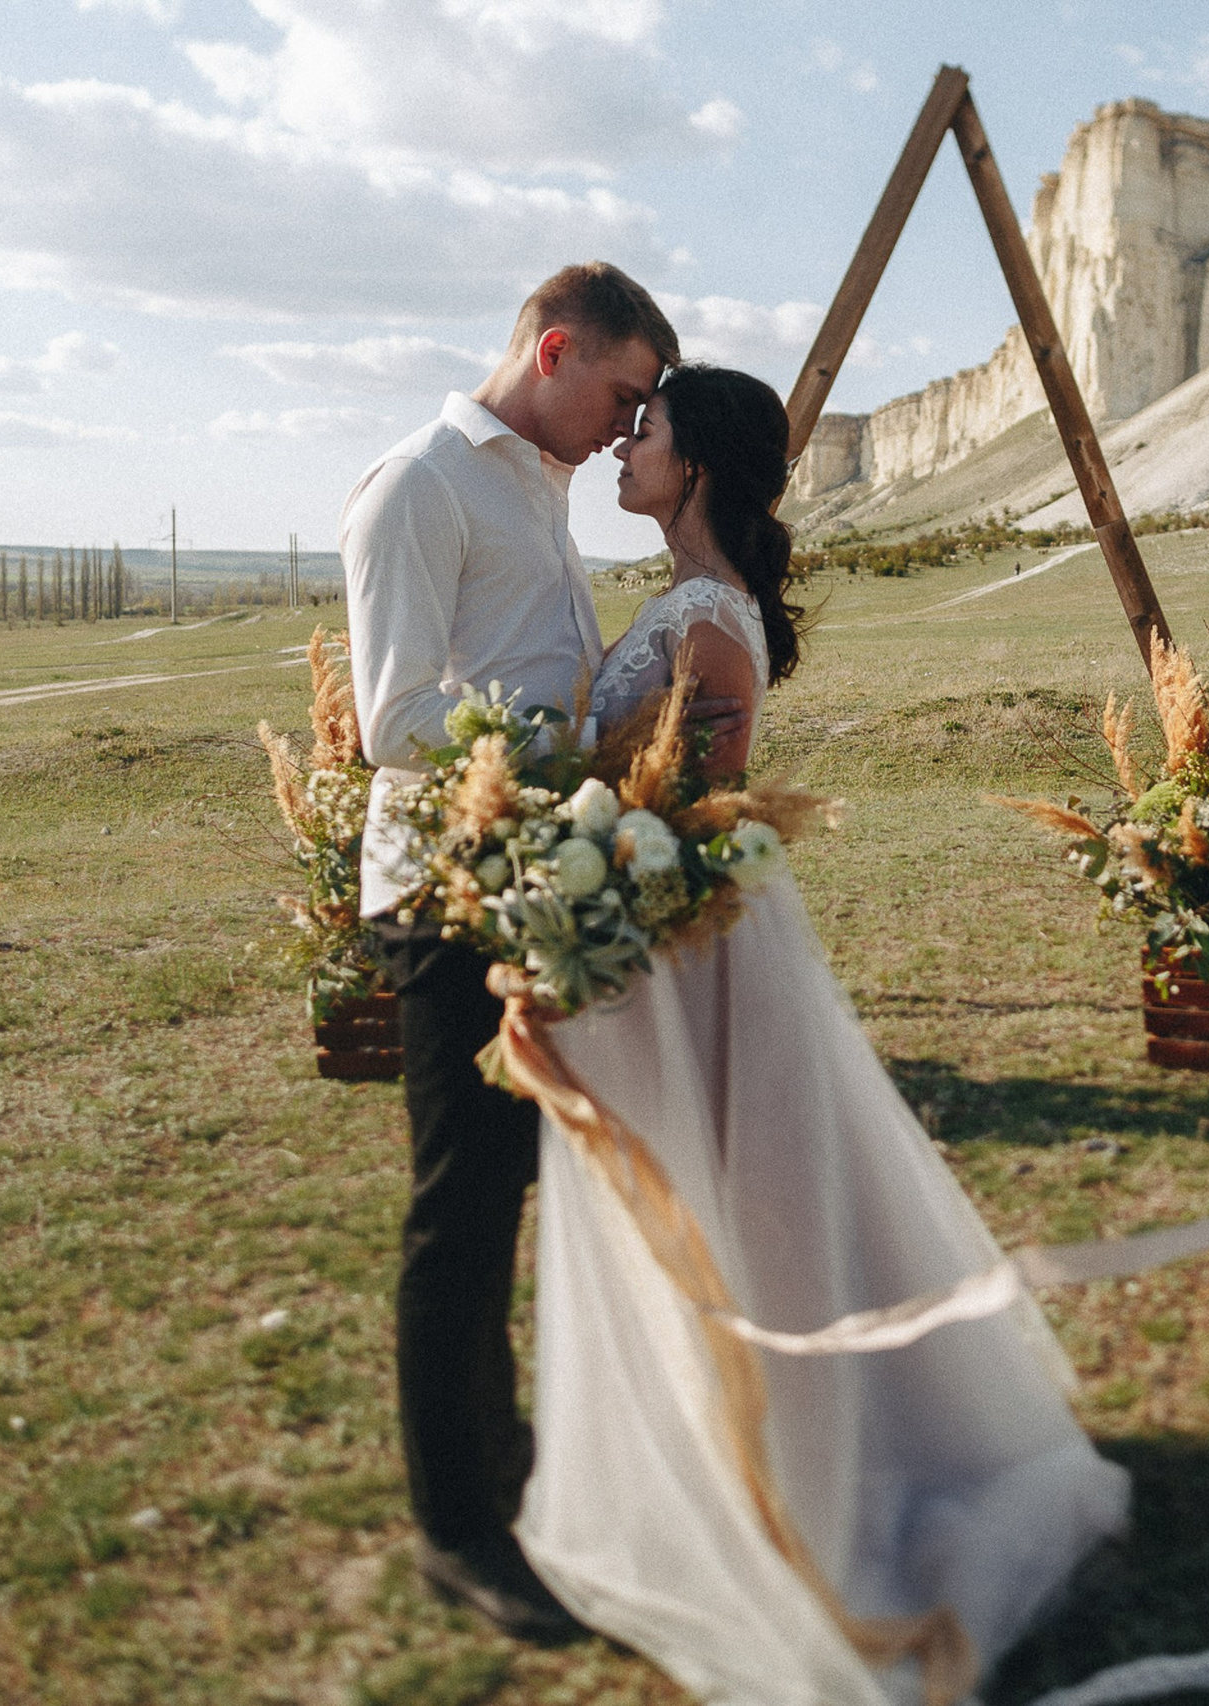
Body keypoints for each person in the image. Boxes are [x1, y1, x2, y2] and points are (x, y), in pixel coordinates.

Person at [512, 365, 1130, 1704]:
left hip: (694, 947)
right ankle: (715, 1451)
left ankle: (797, 1488)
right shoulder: (683, 601)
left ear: (704, 465)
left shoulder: (712, 620)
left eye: (650, 428)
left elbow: (695, 795)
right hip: (655, 929)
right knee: (689, 1199)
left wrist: (566, 843)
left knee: (740, 1200)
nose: (627, 443)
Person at [342, 262, 681, 1643]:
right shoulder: (420, 484)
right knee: (459, 1209)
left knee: (514, 1198)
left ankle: (504, 1458)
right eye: (619, 391)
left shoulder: (533, 487)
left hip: (526, 882)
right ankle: (457, 1528)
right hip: (443, 897)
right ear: (552, 350)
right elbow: (395, 718)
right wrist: (572, 757)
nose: (625, 423)